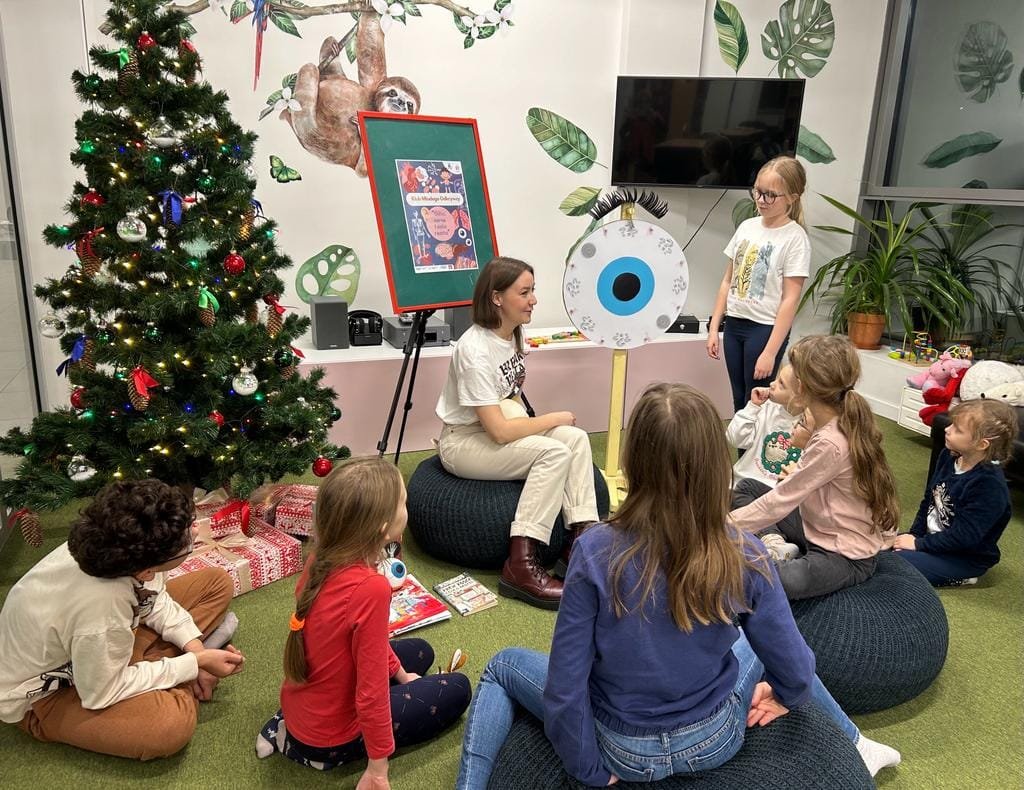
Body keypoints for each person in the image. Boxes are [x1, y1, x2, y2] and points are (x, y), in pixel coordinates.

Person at [455, 384, 900, 789]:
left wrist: (587, 768)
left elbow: (566, 687)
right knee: (758, 639)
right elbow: (796, 667)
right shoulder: (745, 552)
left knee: (502, 666)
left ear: (632, 461)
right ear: (716, 466)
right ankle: (857, 741)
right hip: (716, 738)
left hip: (623, 747)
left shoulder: (593, 550)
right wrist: (786, 695)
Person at [256, 458, 471, 789]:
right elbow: (371, 694)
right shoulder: (370, 588)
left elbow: (366, 646)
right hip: (330, 737)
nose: (408, 508)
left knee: (421, 651)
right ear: (383, 527)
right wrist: (377, 769)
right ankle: (305, 748)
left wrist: (402, 676)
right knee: (457, 689)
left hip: (305, 707)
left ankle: (287, 727)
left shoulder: (321, 558)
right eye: (404, 503)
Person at [0, 479, 244, 760]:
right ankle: (160, 670)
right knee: (170, 728)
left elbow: (154, 599)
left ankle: (153, 663)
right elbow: (100, 693)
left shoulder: (113, 543)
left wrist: (197, 650)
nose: (196, 531)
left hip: (96, 648)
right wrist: (194, 665)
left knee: (217, 583)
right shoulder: (103, 606)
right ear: (146, 571)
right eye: (187, 542)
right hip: (46, 693)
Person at [435, 256, 599, 610]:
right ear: (497, 298)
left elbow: (509, 399)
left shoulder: (512, 335)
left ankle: (580, 546)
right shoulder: (474, 350)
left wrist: (546, 424)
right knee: (554, 451)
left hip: (492, 428)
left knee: (576, 439)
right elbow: (498, 431)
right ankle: (521, 566)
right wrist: (553, 418)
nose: (533, 300)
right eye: (524, 293)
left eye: (532, 291)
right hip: (464, 441)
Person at [730, 335, 900, 600]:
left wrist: (718, 529)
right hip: (815, 526)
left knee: (774, 580)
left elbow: (780, 500)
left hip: (843, 554)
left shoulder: (831, 441)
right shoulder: (832, 424)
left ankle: (773, 552)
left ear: (802, 388)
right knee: (749, 487)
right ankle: (775, 544)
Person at [707, 155, 811, 413]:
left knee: (755, 401)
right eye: (758, 192)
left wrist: (770, 352)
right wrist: (714, 327)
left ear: (792, 198)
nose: (761, 200)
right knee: (738, 398)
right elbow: (727, 280)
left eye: (770, 195)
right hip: (734, 324)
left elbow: (790, 299)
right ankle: (741, 442)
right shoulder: (746, 227)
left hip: (764, 329)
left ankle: (757, 442)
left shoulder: (795, 238)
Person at [893, 399, 1016, 586]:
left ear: (981, 444)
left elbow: (964, 537)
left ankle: (960, 575)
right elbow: (929, 500)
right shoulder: (947, 456)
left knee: (893, 565)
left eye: (957, 429)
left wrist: (918, 545)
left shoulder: (989, 485)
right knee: (875, 546)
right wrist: (914, 535)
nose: (947, 429)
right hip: (932, 542)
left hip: (963, 557)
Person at [725, 363, 804, 492]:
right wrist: (752, 407)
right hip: (742, 483)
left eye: (781, 384)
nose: (772, 384)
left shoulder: (809, 425)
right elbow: (734, 439)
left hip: (777, 493)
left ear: (799, 399)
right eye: (777, 378)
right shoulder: (765, 406)